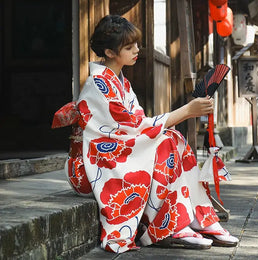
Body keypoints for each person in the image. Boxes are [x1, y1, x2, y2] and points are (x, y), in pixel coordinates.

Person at [74, 14, 238, 253]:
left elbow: (139, 124)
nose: (136, 50)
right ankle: (171, 225)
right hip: (101, 159)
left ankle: (198, 218)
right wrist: (185, 111)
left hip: (120, 147)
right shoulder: (98, 83)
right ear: (109, 52)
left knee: (173, 139)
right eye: (129, 47)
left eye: (136, 45)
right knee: (164, 143)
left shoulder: (122, 83)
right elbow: (136, 127)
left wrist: (182, 115)